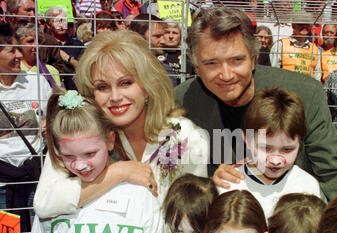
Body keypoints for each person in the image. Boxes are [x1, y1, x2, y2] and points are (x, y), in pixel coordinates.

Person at [174, 6, 337, 202]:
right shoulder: (182, 103)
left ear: (254, 59)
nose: (226, 75)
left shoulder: (304, 94)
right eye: (211, 63)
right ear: (196, 68)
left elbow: (335, 173)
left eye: (237, 60)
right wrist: (209, 183)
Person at [33, 29, 208, 219]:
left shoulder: (183, 134)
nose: (115, 97)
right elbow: (45, 202)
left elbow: (198, 209)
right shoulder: (78, 132)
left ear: (147, 86)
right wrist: (119, 172)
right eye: (102, 87)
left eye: (126, 83)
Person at [27, 89, 163, 233]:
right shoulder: (53, 201)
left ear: (110, 141)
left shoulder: (140, 197)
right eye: (68, 156)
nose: (80, 164)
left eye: (90, 153)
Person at [0, 21, 52, 233]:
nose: (19, 56)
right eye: (11, 51)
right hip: (2, 184)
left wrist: (48, 125)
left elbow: (53, 115)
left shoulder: (34, 81)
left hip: (33, 178)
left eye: (18, 50)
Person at [216, 87, 323, 219]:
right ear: (247, 140)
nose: (275, 160)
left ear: (300, 143)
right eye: (266, 148)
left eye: (287, 150)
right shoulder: (228, 184)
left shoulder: (306, 187)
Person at [128, 14, 178, 87]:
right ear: (138, 37)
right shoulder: (121, 67)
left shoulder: (165, 70)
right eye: (157, 36)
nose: (163, 41)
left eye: (163, 35)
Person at [15, 23, 62, 89]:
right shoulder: (14, 69)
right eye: (30, 41)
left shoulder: (51, 71)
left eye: (39, 41)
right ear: (19, 44)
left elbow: (57, 96)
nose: (36, 45)